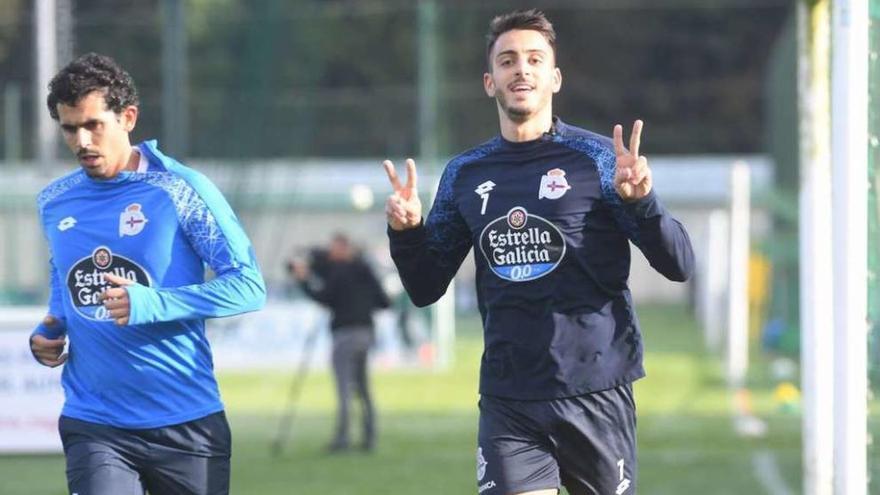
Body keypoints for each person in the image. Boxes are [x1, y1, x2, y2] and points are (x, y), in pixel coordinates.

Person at [383, 10, 694, 495]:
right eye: (507, 61)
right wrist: (407, 232)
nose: (521, 70)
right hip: (510, 397)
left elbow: (679, 265)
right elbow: (425, 287)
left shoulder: (598, 160)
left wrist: (642, 203)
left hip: (595, 389)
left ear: (555, 77)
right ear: (490, 82)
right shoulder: (466, 173)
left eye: (533, 59)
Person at [29, 52, 266, 495]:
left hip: (186, 421)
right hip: (95, 421)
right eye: (69, 128)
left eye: (93, 124)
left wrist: (153, 303)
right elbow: (65, 280)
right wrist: (52, 326)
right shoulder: (54, 201)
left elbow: (248, 287)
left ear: (128, 118)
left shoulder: (182, 190)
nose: (82, 140)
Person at [289, 234, 390, 452]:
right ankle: (369, 436)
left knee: (344, 387)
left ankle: (343, 438)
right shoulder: (365, 270)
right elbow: (384, 302)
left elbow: (323, 297)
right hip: (366, 333)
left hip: (345, 334)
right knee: (363, 388)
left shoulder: (339, 271)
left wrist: (303, 281)